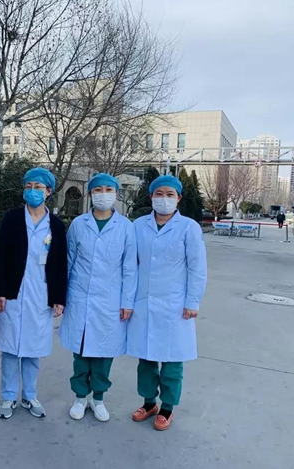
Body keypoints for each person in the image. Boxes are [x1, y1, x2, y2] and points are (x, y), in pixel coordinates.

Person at [0, 167, 68, 420]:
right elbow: (0, 257)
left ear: (48, 191)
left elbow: (60, 264)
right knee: (10, 349)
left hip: (41, 294)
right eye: (29, 186)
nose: (33, 191)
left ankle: (30, 395)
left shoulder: (56, 225)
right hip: (13, 292)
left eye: (38, 187)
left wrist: (59, 298)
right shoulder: (12, 218)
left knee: (33, 349)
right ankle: (9, 396)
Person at [127, 175, 207, 431]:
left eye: (170, 194)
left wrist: (192, 301)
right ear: (151, 196)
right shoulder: (138, 226)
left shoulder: (189, 227)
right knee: (146, 359)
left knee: (172, 361)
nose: (164, 198)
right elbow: (130, 266)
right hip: (144, 302)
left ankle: (168, 407)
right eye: (159, 194)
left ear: (179, 198)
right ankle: (149, 403)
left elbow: (197, 268)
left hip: (175, 305)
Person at [58, 173, 137, 422]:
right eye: (98, 190)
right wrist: (61, 295)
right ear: (90, 194)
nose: (103, 194)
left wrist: (127, 302)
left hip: (110, 300)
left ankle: (98, 398)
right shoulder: (78, 224)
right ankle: (80, 397)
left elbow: (130, 268)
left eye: (108, 190)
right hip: (80, 296)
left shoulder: (126, 227)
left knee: (103, 354)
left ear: (116, 193)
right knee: (81, 353)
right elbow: (68, 260)